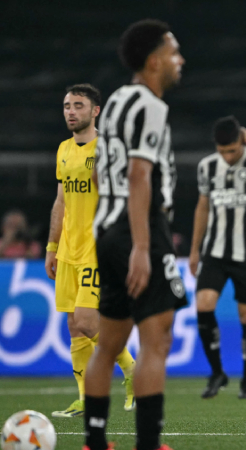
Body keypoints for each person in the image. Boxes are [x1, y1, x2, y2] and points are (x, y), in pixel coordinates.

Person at [84, 19, 187, 450]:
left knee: (108, 345)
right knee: (156, 339)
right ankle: (148, 443)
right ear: (154, 60)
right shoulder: (150, 104)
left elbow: (102, 169)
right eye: (174, 51)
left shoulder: (117, 101)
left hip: (106, 228)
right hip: (137, 228)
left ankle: (94, 440)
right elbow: (139, 174)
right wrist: (143, 246)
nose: (180, 60)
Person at [44, 84, 137, 419]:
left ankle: (132, 370)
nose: (71, 111)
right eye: (67, 105)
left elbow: (126, 198)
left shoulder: (108, 149)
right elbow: (61, 201)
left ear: (95, 111)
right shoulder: (63, 150)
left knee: (86, 320)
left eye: (78, 105)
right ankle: (85, 399)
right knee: (73, 326)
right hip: (69, 248)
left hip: (99, 248)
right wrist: (52, 247)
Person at [189, 116, 246, 400]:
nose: (227, 156)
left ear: (242, 141)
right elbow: (202, 207)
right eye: (222, 151)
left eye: (233, 150)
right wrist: (194, 250)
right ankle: (217, 373)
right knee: (203, 305)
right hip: (214, 252)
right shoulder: (207, 166)